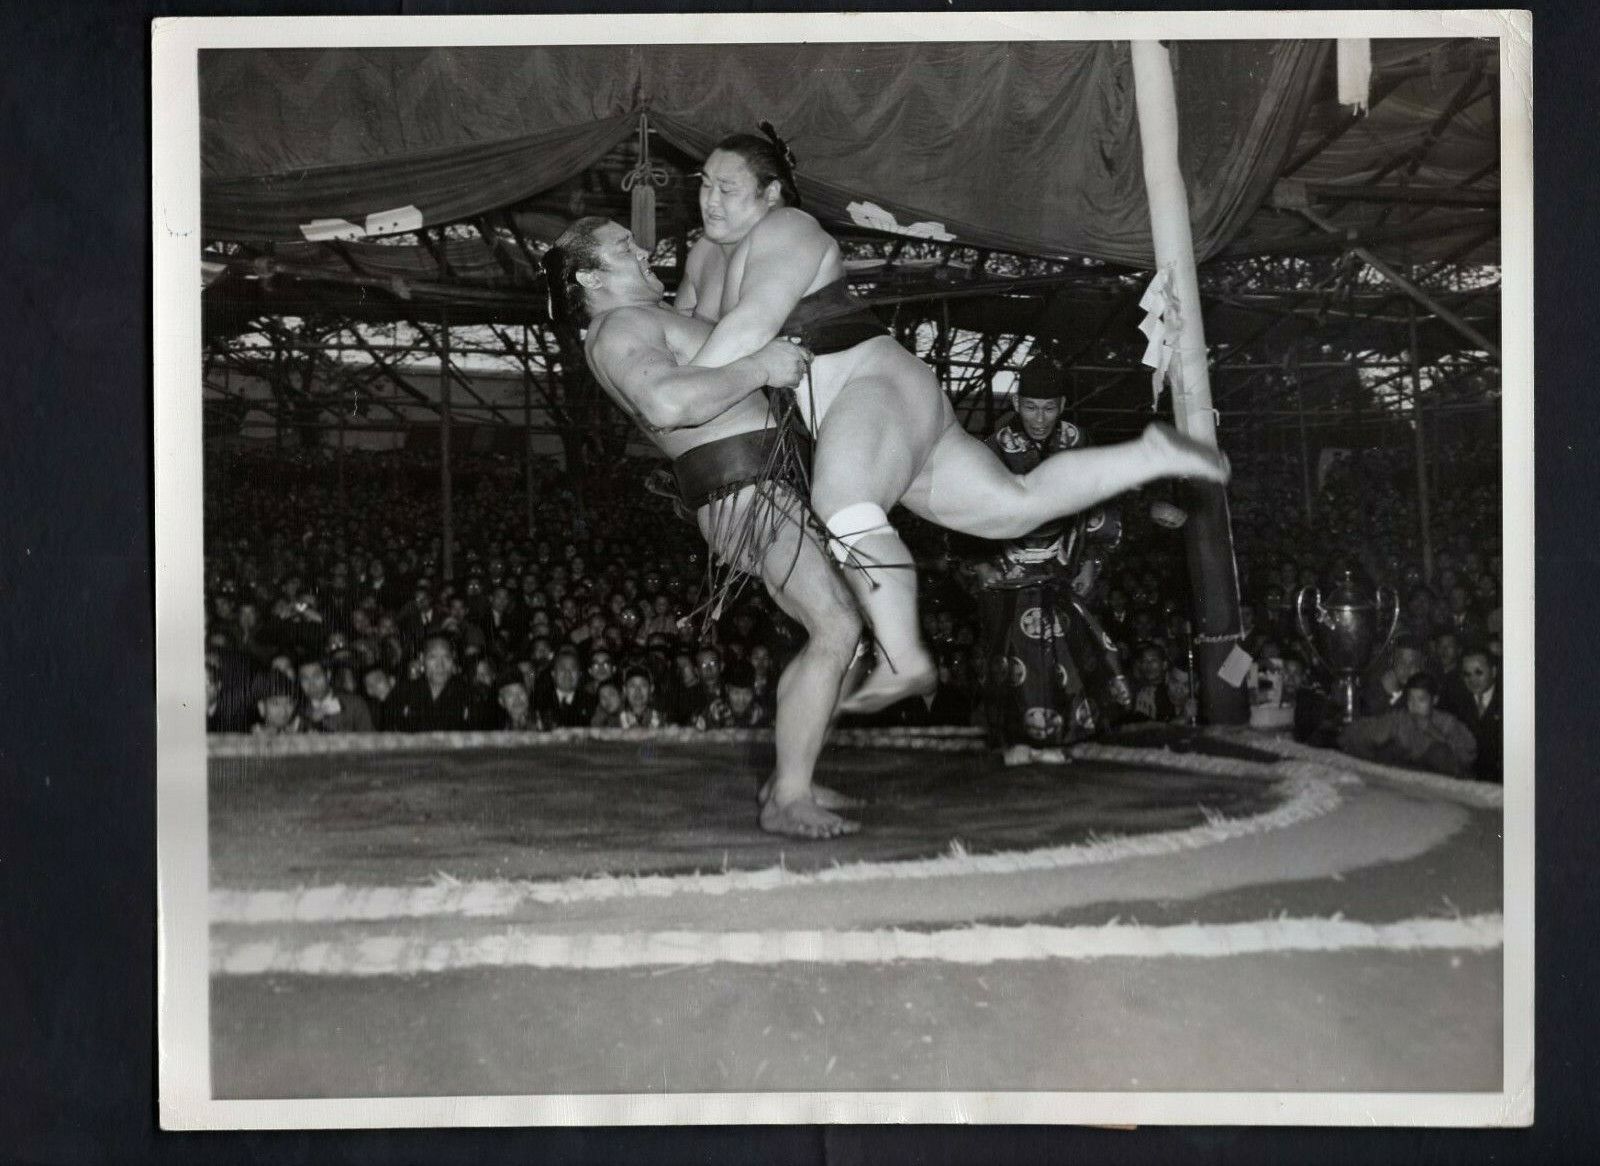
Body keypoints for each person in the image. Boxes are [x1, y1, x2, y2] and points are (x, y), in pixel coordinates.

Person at [676, 129, 1230, 714]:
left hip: (869, 384)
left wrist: (681, 400)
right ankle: (1150, 454)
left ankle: (904, 657)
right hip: (885, 410)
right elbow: (684, 331)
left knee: (844, 502)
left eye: (728, 188)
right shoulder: (704, 256)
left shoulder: (785, 230)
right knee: (1012, 506)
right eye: (705, 185)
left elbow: (748, 329)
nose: (710, 199)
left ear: (770, 195)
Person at [545, 216, 864, 837]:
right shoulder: (617, 328)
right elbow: (666, 404)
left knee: (844, 629)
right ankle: (787, 796)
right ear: (591, 276)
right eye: (622, 247)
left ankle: (790, 775)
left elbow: (710, 299)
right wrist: (761, 368)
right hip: (741, 491)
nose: (640, 247)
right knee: (837, 625)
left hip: (758, 486)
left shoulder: (654, 316)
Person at [974, 360, 1128, 764]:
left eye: (1049, 408)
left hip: (1062, 563)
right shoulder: (993, 447)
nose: (1039, 419)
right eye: (1030, 407)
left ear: (1062, 405)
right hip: (1009, 565)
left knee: (1061, 650)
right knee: (1013, 653)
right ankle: (1016, 740)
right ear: (1016, 401)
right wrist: (978, 562)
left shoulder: (1079, 441)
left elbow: (1100, 500)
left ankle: (1058, 736)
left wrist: (1093, 559)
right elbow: (966, 504)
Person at [1337, 672, 1477, 778]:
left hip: (1439, 787)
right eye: (1410, 699)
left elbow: (1468, 755)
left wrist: (1434, 732)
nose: (1414, 705)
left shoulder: (1448, 722)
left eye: (1421, 700)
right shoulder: (1400, 718)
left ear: (1434, 700)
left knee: (1438, 752)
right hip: (1402, 785)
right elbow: (1359, 732)